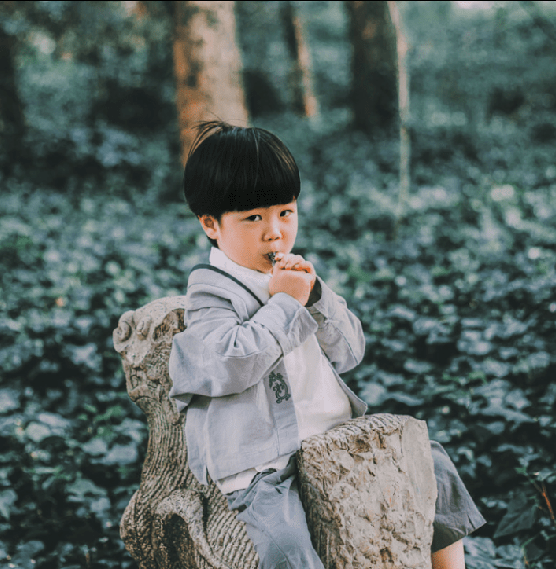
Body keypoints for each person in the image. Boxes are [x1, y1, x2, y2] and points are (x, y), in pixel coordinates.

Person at [168, 121, 485, 569]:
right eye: (253, 218)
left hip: (332, 432)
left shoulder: (294, 277)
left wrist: (315, 296)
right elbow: (229, 363)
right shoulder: (212, 295)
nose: (274, 232)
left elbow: (350, 351)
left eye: (285, 212)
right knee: (285, 546)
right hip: (260, 463)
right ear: (211, 225)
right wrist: (285, 304)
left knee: (428, 464)